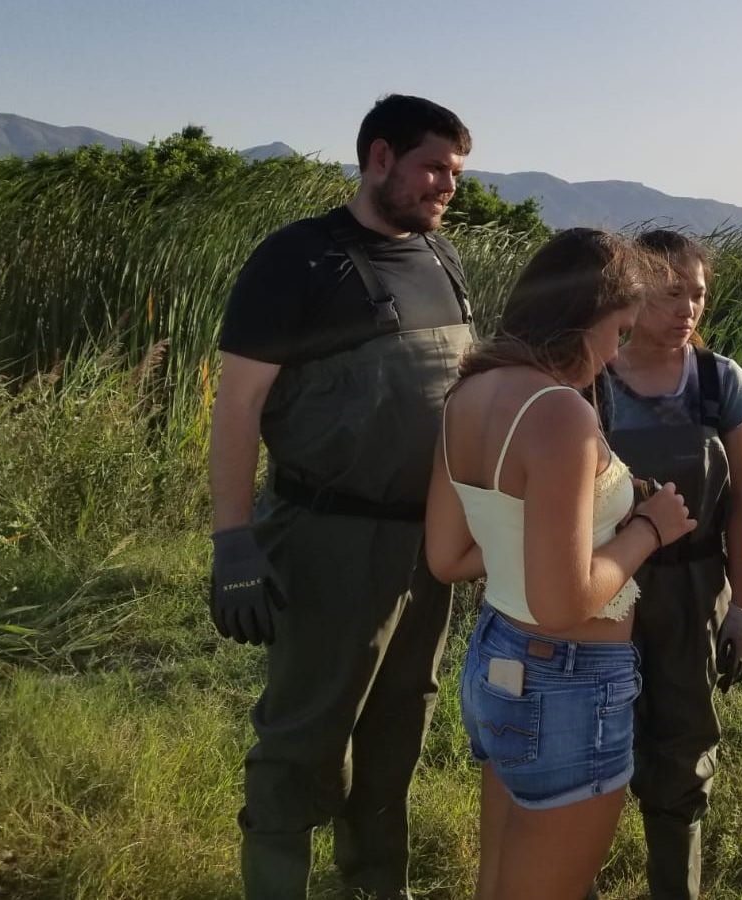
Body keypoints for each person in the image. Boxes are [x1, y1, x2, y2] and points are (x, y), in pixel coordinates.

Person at [208, 94, 476, 899]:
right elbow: (238, 407)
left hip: (429, 545)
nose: (447, 187)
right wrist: (234, 542)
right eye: (434, 167)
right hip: (328, 539)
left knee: (400, 729)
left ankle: (373, 887)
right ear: (380, 157)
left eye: (456, 174)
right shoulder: (297, 259)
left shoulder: (442, 259)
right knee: (302, 738)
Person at [424, 227, 697, 900]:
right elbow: (564, 601)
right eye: (618, 331)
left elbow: (448, 555)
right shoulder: (559, 415)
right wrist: (646, 530)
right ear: (582, 322)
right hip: (569, 681)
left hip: (498, 660)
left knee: (498, 883)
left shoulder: (470, 393)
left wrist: (553, 536)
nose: (612, 355)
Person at [593, 229, 742, 899]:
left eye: (696, 294)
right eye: (670, 295)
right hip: (608, 586)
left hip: (695, 589)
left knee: (684, 750)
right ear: (630, 296)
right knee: (598, 741)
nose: (686, 310)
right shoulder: (592, 381)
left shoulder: (721, 381)